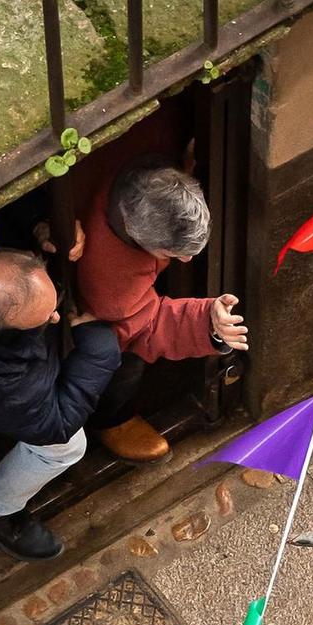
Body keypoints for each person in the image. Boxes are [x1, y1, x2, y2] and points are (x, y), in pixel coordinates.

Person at [0, 248, 122, 560]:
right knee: (67, 447)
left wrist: (40, 226)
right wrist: (100, 349)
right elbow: (57, 425)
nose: (56, 316)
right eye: (43, 318)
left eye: (52, 304)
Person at [74, 144, 249, 463]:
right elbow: (146, 328)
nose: (188, 260)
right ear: (132, 231)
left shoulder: (158, 132)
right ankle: (111, 418)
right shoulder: (112, 290)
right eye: (172, 254)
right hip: (100, 304)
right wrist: (205, 321)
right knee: (120, 349)